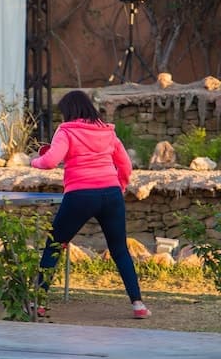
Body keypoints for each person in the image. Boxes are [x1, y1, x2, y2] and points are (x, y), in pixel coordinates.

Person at [30, 89, 150, 319]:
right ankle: (138, 305)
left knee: (54, 244)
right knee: (120, 250)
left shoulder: (66, 130)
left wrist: (34, 161)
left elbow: (50, 161)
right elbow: (125, 165)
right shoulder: (107, 131)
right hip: (111, 194)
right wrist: (120, 186)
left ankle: (39, 303)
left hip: (80, 194)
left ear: (69, 111)